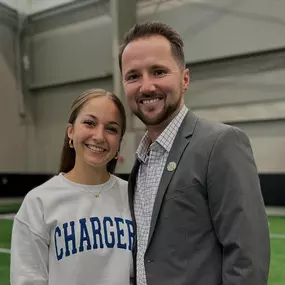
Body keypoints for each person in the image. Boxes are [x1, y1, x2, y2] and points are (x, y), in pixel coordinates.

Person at [119, 21, 270, 285]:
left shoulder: (221, 144)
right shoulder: (141, 160)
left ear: (185, 79)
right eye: (133, 76)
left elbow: (248, 259)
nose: (146, 86)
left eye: (158, 72)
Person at [10, 89, 135, 285]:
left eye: (111, 128)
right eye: (90, 123)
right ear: (71, 131)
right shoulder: (39, 202)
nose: (99, 136)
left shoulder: (134, 197)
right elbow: (27, 279)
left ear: (119, 142)